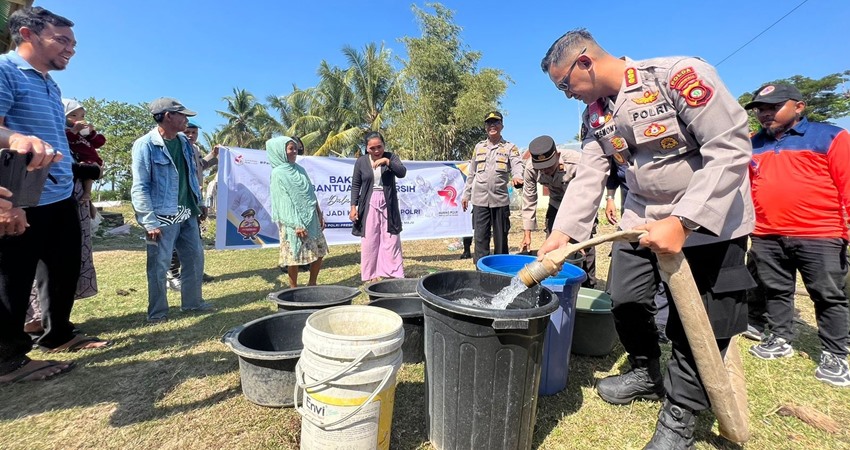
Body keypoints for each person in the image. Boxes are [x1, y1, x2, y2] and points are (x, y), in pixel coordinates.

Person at [538, 29, 755, 448]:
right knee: (626, 299)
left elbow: (729, 147)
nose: (566, 94)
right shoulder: (595, 115)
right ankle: (645, 370)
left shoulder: (677, 76)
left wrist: (684, 220)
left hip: (707, 222)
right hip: (640, 222)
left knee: (695, 323)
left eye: (565, 84)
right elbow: (591, 175)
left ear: (585, 62)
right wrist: (562, 233)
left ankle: (680, 417)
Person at [0, 7, 118, 384]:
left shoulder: (50, 83)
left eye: (73, 43)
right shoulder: (5, 71)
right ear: (27, 35)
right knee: (12, 277)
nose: (70, 49)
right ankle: (7, 360)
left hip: (58, 194)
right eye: (62, 40)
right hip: (18, 194)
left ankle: (58, 335)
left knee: (61, 267)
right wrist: (17, 145)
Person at [743, 83, 850, 386]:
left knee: (828, 294)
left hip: (820, 232)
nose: (765, 113)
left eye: (773, 107)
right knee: (776, 289)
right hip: (766, 233)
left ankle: (834, 352)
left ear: (799, 106)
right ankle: (779, 337)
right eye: (761, 108)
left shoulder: (831, 136)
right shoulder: (753, 143)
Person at [131, 97, 213, 323]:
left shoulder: (185, 143)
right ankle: (157, 313)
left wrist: (199, 204)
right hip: (162, 215)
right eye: (183, 115)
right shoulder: (145, 144)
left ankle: (193, 304)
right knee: (158, 265)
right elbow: (140, 185)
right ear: (168, 116)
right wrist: (149, 221)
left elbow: (192, 175)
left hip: (188, 212)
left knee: (195, 259)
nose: (186, 120)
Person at [520, 135, 599, 287]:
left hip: (581, 205)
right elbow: (529, 199)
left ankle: (589, 285)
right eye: (541, 168)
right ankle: (558, 286)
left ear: (557, 155)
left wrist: (579, 237)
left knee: (583, 250)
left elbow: (589, 195)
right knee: (552, 248)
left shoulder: (576, 162)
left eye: (549, 166)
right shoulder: (530, 169)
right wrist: (527, 233)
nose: (546, 171)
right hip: (556, 205)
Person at [606, 159, 670, 342]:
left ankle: (661, 323)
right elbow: (609, 173)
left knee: (663, 270)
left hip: (671, 214)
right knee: (625, 290)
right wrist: (610, 198)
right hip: (633, 215)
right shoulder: (614, 141)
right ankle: (643, 363)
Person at [461, 111, 524, 263]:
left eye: (496, 122)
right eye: (489, 123)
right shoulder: (479, 147)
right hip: (480, 201)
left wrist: (517, 176)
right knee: (480, 239)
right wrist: (466, 195)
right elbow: (472, 174)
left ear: (502, 125)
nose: (492, 126)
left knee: (501, 240)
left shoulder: (510, 147)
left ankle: (500, 273)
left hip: (500, 200)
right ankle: (480, 272)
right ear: (485, 127)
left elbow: (517, 165)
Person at [268, 136, 327, 287]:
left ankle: (312, 283)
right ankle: (293, 288)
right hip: (292, 222)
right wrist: (296, 224)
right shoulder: (278, 173)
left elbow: (310, 193)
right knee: (293, 257)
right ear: (280, 151)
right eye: (290, 149)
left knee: (319, 252)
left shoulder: (300, 169)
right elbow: (283, 202)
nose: (294, 151)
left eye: (295, 148)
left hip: (311, 217)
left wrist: (319, 213)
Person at [165, 119, 218, 289]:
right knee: (175, 239)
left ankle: (194, 271)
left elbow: (200, 166)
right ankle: (172, 274)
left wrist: (213, 156)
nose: (191, 135)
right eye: (188, 131)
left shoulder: (194, 149)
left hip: (194, 200)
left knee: (193, 238)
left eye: (194, 132)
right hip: (177, 200)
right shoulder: (174, 147)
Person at [350, 131, 406, 282]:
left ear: (384, 145)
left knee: (391, 238)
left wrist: (387, 162)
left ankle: (392, 272)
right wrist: (353, 206)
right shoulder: (361, 161)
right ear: (366, 148)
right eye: (372, 148)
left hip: (388, 202)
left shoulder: (391, 157)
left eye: (379, 147)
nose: (376, 151)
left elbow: (402, 172)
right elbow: (356, 185)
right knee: (370, 239)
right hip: (368, 203)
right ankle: (371, 274)